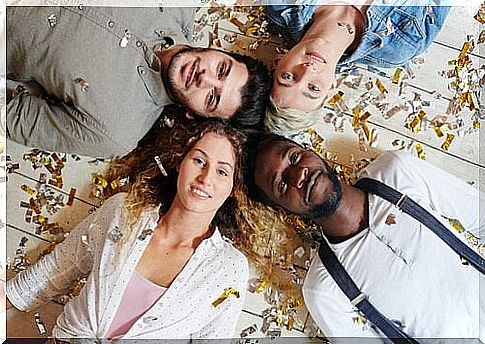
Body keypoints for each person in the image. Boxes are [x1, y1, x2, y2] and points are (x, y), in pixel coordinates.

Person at [5, 120, 256, 341]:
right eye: (199, 160)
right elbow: (58, 267)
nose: (205, 177)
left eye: (222, 171)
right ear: (180, 162)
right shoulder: (124, 211)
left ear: (234, 186)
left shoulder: (228, 269)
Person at [244, 132, 484, 341]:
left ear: (311, 151)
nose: (298, 175)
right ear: (284, 209)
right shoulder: (325, 290)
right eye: (282, 185)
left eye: (295, 158)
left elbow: (479, 215)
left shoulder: (396, 173)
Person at [6, 6, 271, 158]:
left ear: (194, 114)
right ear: (220, 51)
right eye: (222, 69)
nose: (206, 78)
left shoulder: (116, 131)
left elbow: (11, 116)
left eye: (212, 98)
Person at [263, 0, 450, 136]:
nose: (307, 70)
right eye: (313, 88)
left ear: (278, 62)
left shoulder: (281, 6)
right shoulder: (400, 47)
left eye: (287, 77)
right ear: (331, 87)